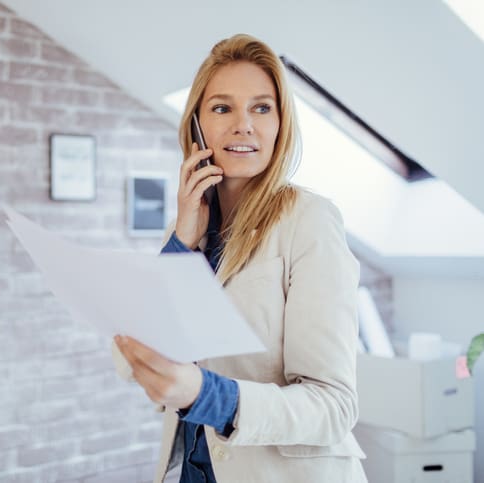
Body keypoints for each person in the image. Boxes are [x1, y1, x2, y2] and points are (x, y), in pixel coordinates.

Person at [112, 34, 367, 482]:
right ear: (196, 125)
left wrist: (208, 396)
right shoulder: (186, 229)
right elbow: (127, 358)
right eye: (222, 108)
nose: (243, 125)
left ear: (281, 123)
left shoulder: (310, 220)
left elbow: (334, 406)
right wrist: (181, 244)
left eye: (261, 107)